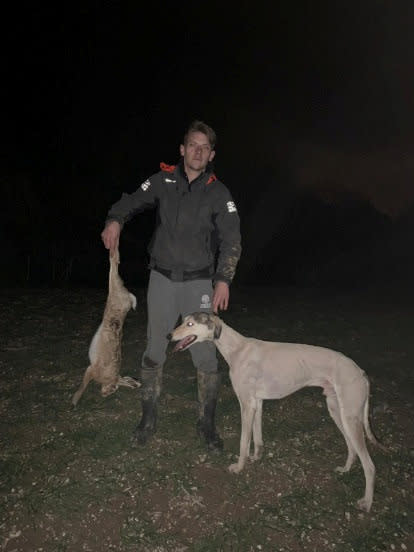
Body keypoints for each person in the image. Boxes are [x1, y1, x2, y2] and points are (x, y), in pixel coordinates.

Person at [101, 120, 241, 452]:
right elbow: (133, 200)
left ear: (211, 155)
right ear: (182, 149)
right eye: (193, 145)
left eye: (205, 147)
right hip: (162, 279)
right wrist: (114, 220)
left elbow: (232, 238)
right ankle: (148, 419)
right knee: (155, 348)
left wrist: (223, 280)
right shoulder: (162, 181)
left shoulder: (219, 193)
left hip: (199, 283)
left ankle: (207, 424)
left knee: (206, 354)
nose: (198, 151)